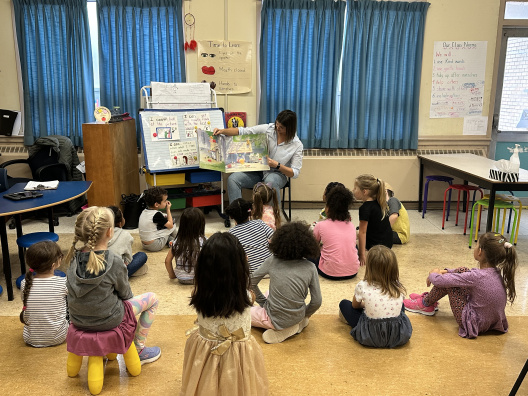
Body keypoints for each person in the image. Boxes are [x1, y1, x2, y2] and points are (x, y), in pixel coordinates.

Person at [65, 206, 161, 364]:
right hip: (109, 319)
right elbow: (126, 295)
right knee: (153, 299)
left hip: (78, 320)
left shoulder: (72, 259)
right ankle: (139, 348)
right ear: (110, 232)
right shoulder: (114, 261)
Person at [181, 232, 269, 395]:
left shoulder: (198, 294)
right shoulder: (247, 296)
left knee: (207, 378)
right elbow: (250, 296)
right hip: (239, 355)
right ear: (239, 268)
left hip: (205, 350)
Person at [403, 232, 517, 339]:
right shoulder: (495, 272)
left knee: (451, 284)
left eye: (476, 245)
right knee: (463, 270)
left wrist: (433, 273)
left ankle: (425, 303)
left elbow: (440, 281)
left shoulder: (476, 276)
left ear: (480, 251)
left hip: (474, 323)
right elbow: (465, 273)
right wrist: (445, 271)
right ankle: (428, 301)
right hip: (493, 322)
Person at [251, 221, 322, 344]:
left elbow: (250, 282)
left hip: (274, 318)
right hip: (298, 315)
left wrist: (262, 302)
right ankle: (297, 324)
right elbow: (317, 301)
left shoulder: (272, 261)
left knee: (242, 313)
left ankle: (283, 330)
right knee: (271, 292)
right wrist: (305, 314)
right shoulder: (311, 267)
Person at [213, 110, 303, 206]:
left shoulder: (297, 145)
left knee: (270, 182)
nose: (277, 128)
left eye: (281, 127)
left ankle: (274, 218)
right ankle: (238, 215)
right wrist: (222, 131)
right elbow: (243, 131)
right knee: (233, 179)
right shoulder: (269, 128)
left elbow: (295, 173)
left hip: (277, 174)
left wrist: (277, 165)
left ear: (290, 129)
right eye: (277, 124)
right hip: (257, 171)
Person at [338, 245, 412, 348]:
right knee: (401, 306)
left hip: (370, 335)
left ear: (370, 267)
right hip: (397, 335)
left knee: (344, 304)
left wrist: (366, 305)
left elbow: (355, 306)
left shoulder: (362, 285)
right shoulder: (397, 286)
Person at [20, 241, 68, 347]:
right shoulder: (63, 282)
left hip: (29, 338)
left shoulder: (24, 283)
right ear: (54, 265)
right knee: (68, 301)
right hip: (59, 337)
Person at [313, 185, 360, 280]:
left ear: (328, 208)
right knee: (354, 246)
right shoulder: (351, 225)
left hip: (329, 272)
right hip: (353, 272)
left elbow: (313, 246)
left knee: (310, 255)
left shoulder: (321, 225)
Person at [353, 174, 393, 266]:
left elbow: (363, 233)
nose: (353, 191)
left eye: (355, 188)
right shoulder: (381, 203)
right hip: (388, 244)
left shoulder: (365, 208)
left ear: (364, 192)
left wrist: (362, 255)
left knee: (352, 240)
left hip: (374, 247)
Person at [226, 198, 274, 273]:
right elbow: (276, 237)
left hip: (251, 272)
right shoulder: (259, 223)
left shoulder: (231, 234)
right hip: (270, 268)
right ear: (250, 213)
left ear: (231, 217)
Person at [164, 207, 206, 284]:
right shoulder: (204, 241)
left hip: (181, 278)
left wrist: (172, 275)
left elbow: (167, 261)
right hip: (199, 279)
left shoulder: (177, 241)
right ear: (201, 224)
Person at [108, 206, 148, 277]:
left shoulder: (96, 232)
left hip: (98, 273)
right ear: (120, 223)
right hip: (116, 275)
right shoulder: (125, 235)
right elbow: (128, 260)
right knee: (142, 255)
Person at [138, 186, 177, 252]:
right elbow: (170, 225)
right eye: (164, 201)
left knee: (164, 228)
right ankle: (178, 240)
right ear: (156, 204)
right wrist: (168, 209)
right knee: (173, 224)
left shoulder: (144, 211)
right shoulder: (157, 214)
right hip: (155, 245)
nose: (166, 202)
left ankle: (171, 241)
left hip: (145, 244)